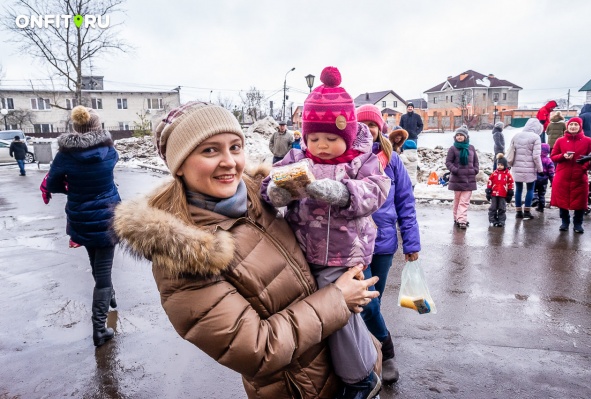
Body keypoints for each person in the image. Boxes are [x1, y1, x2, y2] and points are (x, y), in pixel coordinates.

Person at [113, 101, 381, 399]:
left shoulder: (263, 199)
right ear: (180, 164)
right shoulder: (185, 253)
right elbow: (258, 349)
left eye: (236, 147)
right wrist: (338, 299)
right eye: (210, 150)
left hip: (345, 368)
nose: (229, 162)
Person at [262, 67, 390, 398]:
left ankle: (360, 378)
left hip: (345, 254)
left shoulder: (361, 160)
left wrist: (341, 192)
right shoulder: (296, 156)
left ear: (346, 135)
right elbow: (270, 181)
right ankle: (329, 372)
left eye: (331, 139)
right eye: (314, 138)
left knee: (334, 305)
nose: (321, 146)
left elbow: (377, 191)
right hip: (301, 249)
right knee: (313, 311)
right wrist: (279, 191)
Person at [46, 106, 121, 347]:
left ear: (76, 128)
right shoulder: (109, 152)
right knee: (103, 275)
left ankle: (109, 297)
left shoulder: (64, 155)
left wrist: (72, 186)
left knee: (96, 263)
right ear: (97, 127)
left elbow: (55, 183)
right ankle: (99, 330)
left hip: (80, 215)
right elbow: (111, 165)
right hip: (108, 215)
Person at [356, 104, 421, 384]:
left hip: (383, 243)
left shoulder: (392, 160)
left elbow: (405, 202)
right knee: (366, 303)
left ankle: (366, 347)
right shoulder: (348, 157)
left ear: (380, 127)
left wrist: (411, 242)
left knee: (374, 302)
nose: (367, 130)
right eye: (362, 125)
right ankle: (387, 349)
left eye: (372, 125)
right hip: (353, 243)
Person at [550, 117, 591, 233]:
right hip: (562, 175)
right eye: (571, 124)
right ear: (567, 126)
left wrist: (583, 168)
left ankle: (578, 223)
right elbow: (553, 156)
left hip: (579, 176)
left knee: (580, 202)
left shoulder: (588, 141)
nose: (573, 126)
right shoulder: (560, 140)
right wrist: (563, 156)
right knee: (562, 201)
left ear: (580, 126)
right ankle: (565, 222)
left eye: (576, 124)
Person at [506, 118, 543, 220]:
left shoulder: (516, 136)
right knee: (530, 189)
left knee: (518, 189)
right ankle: (527, 211)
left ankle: (518, 212)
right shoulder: (536, 137)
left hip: (517, 168)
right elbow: (536, 156)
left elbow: (511, 151)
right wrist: (540, 169)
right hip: (530, 168)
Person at [445, 126, 479, 229]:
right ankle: (457, 218)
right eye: (457, 135)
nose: (459, 137)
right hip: (457, 179)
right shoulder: (453, 148)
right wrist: (455, 170)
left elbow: (476, 161)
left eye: (461, 135)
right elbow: (448, 162)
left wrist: (475, 170)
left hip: (469, 179)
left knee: (464, 202)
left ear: (466, 137)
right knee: (457, 200)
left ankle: (462, 220)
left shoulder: (471, 148)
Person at [486, 154, 514, 227]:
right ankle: (493, 220)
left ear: (505, 165)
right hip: (494, 194)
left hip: (503, 194)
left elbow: (510, 183)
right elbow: (490, 182)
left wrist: (510, 192)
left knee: (502, 208)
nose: (499, 166)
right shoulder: (494, 174)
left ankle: (501, 221)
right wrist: (488, 190)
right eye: (498, 164)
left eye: (501, 165)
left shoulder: (508, 175)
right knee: (493, 207)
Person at [534, 143, 555, 213]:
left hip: (535, 178)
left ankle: (535, 199)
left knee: (533, 190)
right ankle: (541, 207)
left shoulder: (536, 159)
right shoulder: (549, 160)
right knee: (542, 193)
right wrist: (552, 182)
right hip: (544, 180)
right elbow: (551, 172)